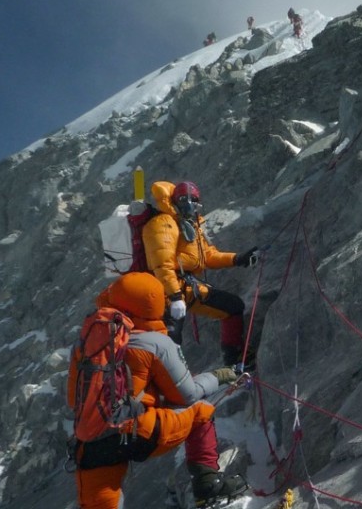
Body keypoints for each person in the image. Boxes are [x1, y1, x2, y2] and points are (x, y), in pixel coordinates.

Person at [68, 272, 247, 509]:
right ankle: (207, 485)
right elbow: (187, 395)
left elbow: (74, 399)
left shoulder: (87, 341)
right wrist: (220, 375)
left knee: (99, 504)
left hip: (90, 439)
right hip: (137, 431)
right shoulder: (155, 343)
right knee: (200, 410)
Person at [142, 180, 261, 369]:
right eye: (184, 199)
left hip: (186, 288)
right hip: (164, 292)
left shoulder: (189, 224)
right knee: (171, 340)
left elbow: (207, 256)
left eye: (193, 201)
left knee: (232, 306)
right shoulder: (163, 222)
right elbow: (162, 265)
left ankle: (236, 361)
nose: (190, 204)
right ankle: (166, 381)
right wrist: (175, 297)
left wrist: (238, 258)